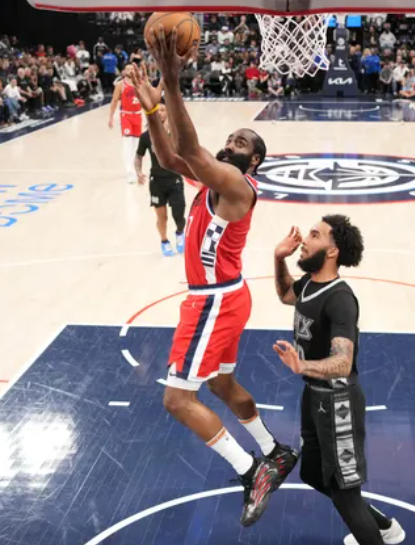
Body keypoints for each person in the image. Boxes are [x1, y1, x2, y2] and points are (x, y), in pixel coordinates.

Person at [126, 29, 296, 527]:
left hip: (214, 300)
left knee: (177, 399)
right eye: (230, 139)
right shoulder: (211, 180)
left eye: (240, 142)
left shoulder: (237, 184)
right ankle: (273, 450)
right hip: (226, 295)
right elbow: (169, 157)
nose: (230, 144)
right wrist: (153, 108)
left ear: (253, 160)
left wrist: (171, 82)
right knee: (222, 384)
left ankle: (250, 471)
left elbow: (190, 148)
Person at [272, 218, 406, 545]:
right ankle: (384, 527)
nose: (305, 239)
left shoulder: (340, 299)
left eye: (314, 235)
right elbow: (286, 294)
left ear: (332, 251)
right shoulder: (309, 283)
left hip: (338, 402)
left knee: (345, 494)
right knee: (313, 474)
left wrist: (302, 364)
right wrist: (278, 258)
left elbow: (343, 362)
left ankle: (377, 535)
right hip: (313, 395)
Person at [136, 103, 186, 256]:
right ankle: (164, 241)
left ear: (168, 113)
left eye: (163, 110)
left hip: (175, 180)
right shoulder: (146, 136)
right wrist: (138, 171)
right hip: (157, 182)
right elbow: (138, 156)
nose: (160, 113)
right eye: (157, 111)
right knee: (161, 217)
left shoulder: (176, 135)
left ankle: (179, 233)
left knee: (179, 215)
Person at [109, 65, 145, 184]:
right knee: (127, 144)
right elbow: (114, 100)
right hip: (126, 116)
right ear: (124, 71)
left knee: (136, 146)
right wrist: (111, 117)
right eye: (128, 69)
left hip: (138, 116)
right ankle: (129, 172)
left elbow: (145, 100)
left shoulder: (140, 83)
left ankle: (136, 169)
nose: (130, 70)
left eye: (132, 68)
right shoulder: (121, 84)